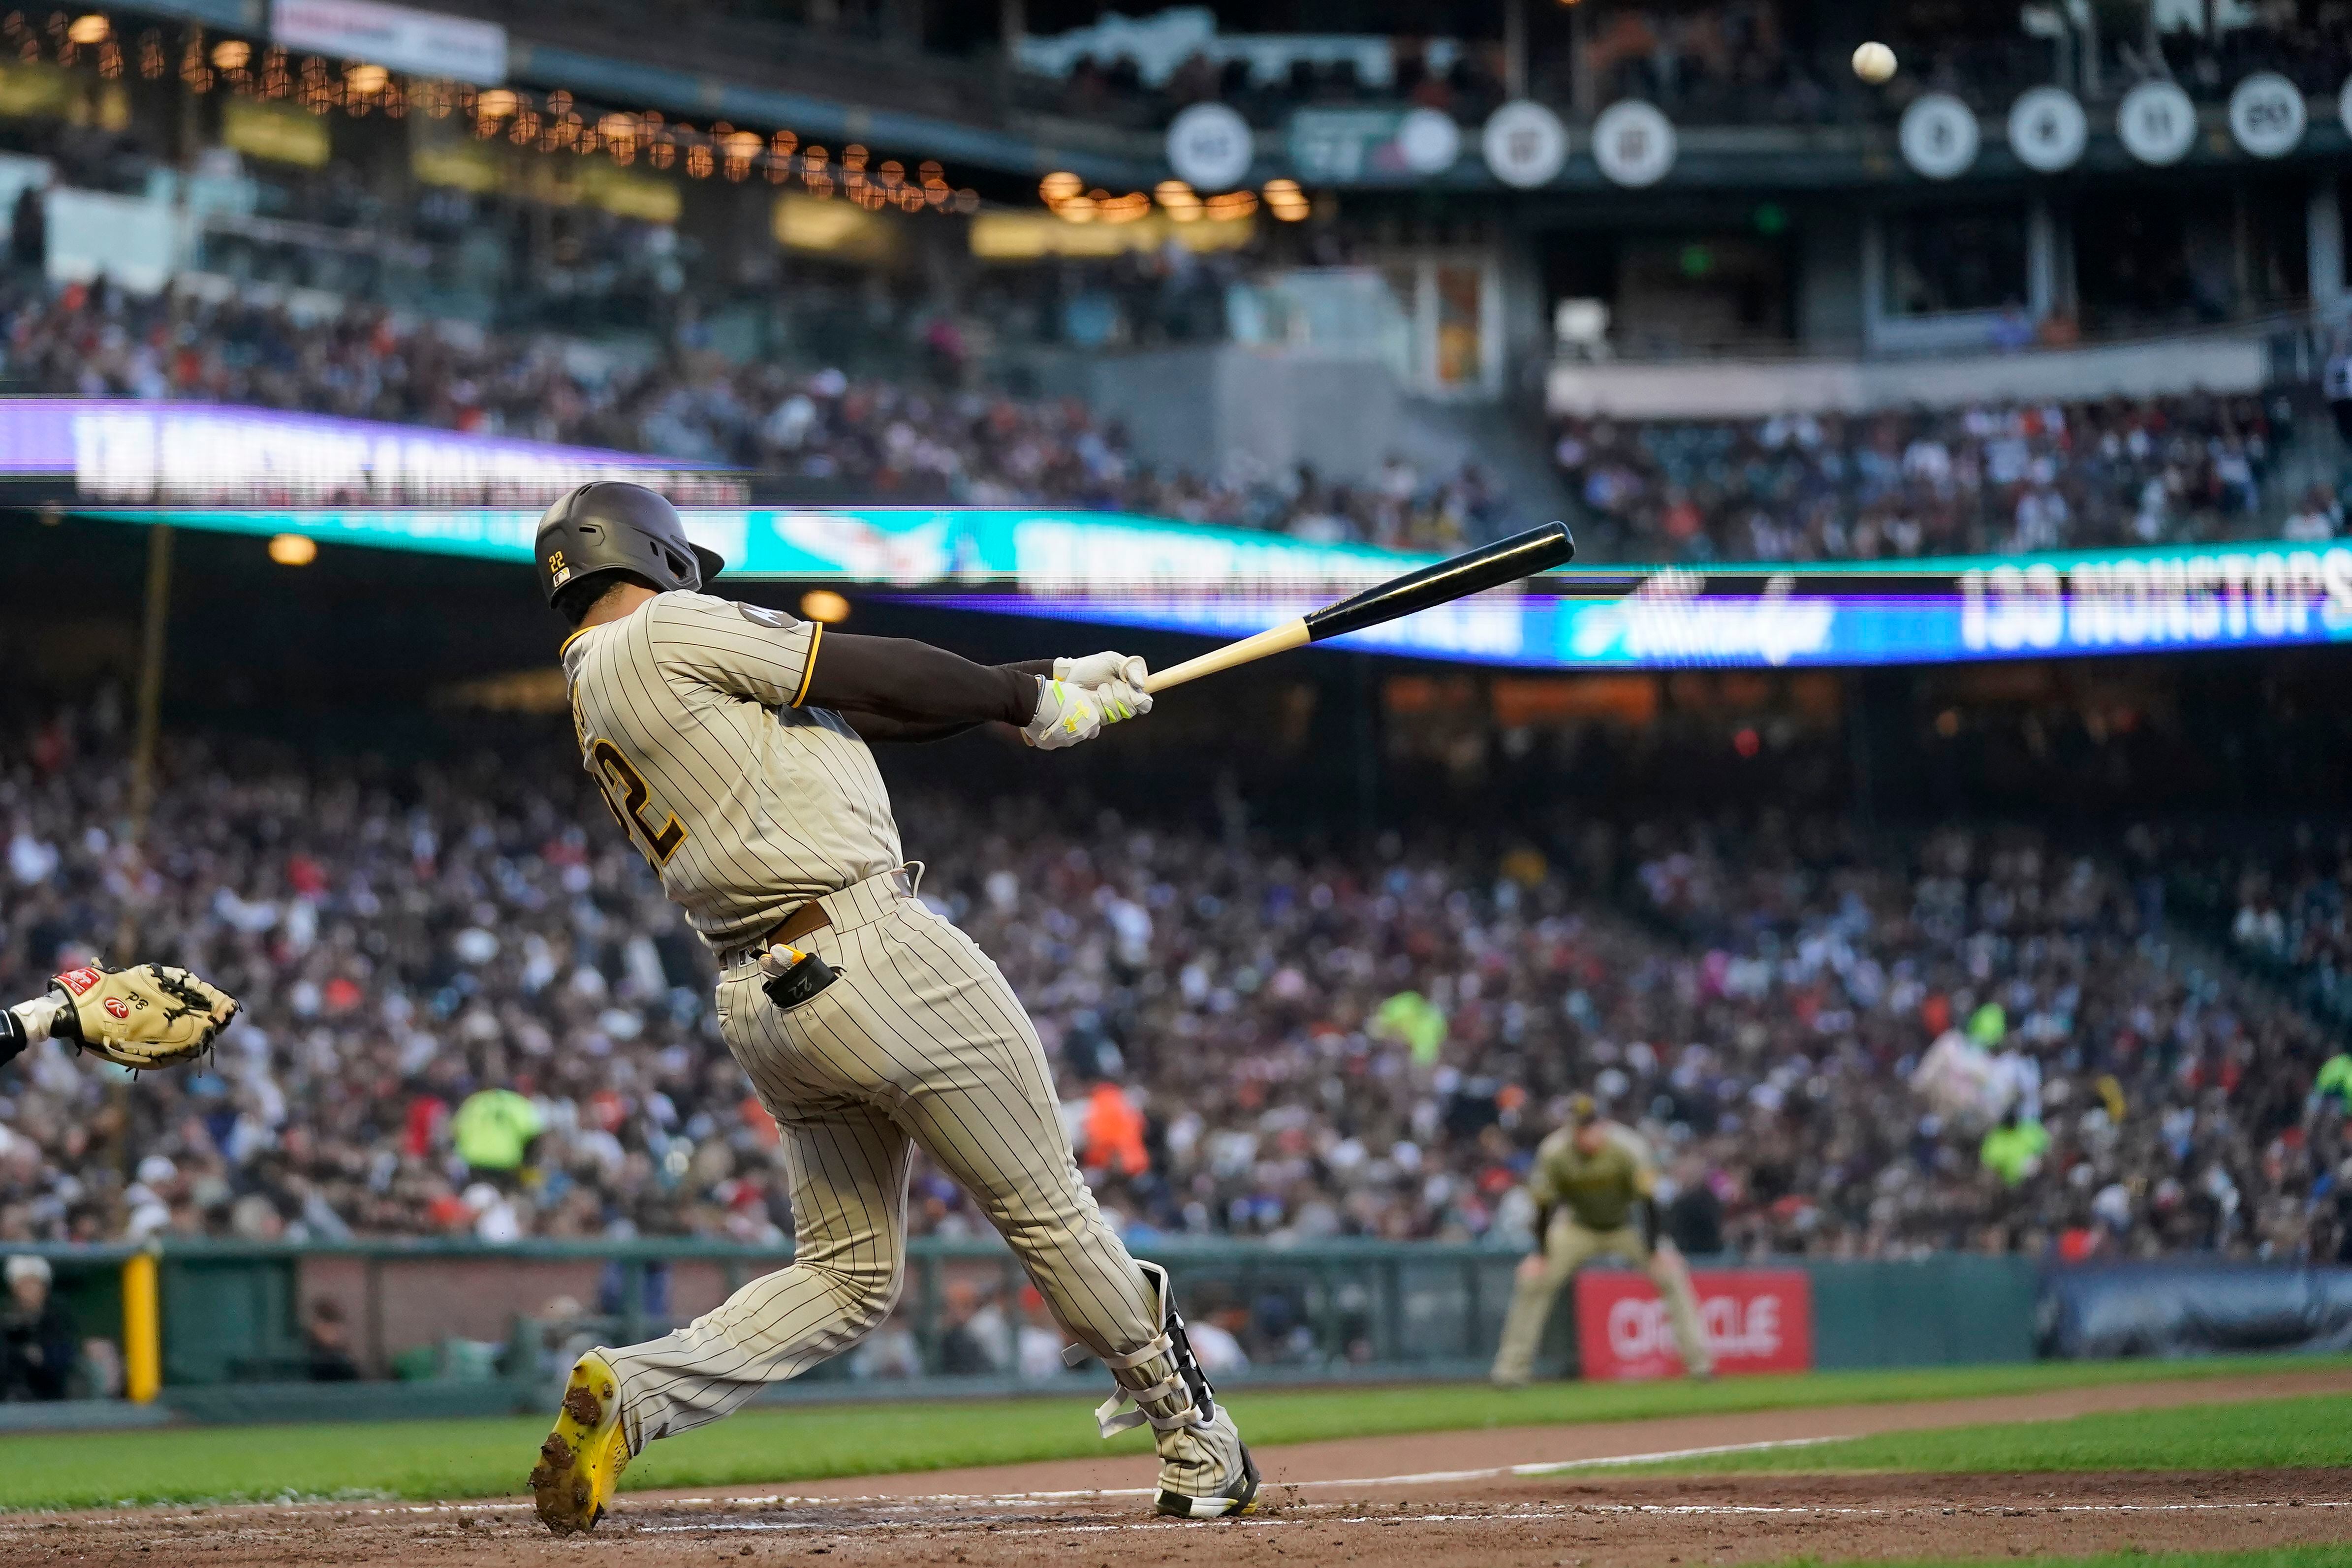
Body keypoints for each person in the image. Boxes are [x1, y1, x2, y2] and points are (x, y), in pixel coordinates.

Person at [523, 482, 1255, 1533]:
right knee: (1050, 1212)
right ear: (653, 551)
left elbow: (851, 711)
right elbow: (858, 666)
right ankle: (1196, 1443)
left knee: (845, 1277)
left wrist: (1043, 683)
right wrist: (1019, 697)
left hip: (763, 997)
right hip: (872, 946)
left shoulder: (596, 680)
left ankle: (635, 1391)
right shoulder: (672, 623)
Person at [1489, 1094, 1713, 1385]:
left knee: (1671, 1274)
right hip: (1578, 1226)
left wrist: (1656, 1249)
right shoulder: (1555, 1151)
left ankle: (1701, 1367)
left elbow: (1649, 1203)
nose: (1587, 1133)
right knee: (1533, 1280)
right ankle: (1509, 1372)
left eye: (1592, 1125)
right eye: (1581, 1127)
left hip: (1627, 1225)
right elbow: (1545, 1206)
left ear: (1603, 1124)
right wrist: (1541, 1254)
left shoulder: (1628, 1147)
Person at [0, 1256, 74, 1401]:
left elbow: (66, 1357)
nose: (30, 1291)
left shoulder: (57, 1319)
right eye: (24, 1285)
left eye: (35, 1284)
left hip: (49, 1398)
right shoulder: (5, 1321)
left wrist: (42, 1357)